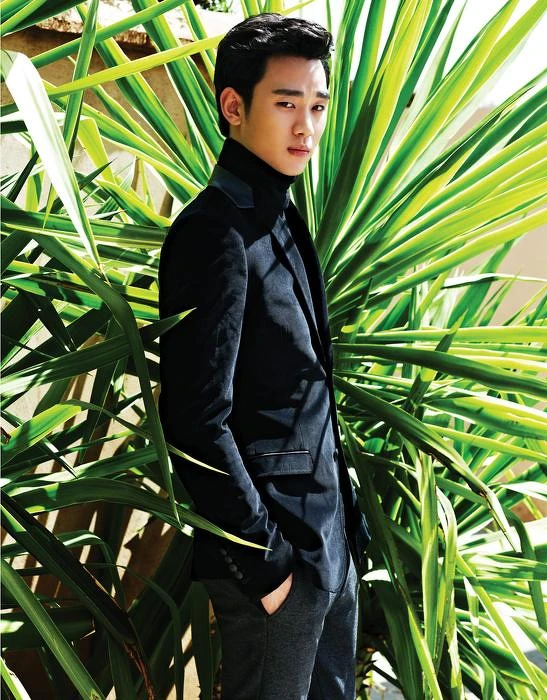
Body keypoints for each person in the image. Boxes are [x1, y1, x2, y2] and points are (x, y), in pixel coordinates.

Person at [158, 12, 370, 699]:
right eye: (286, 104)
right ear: (233, 106)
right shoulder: (213, 233)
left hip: (325, 550)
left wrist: (342, 534)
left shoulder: (281, 216)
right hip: (278, 570)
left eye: (318, 105)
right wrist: (269, 567)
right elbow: (195, 421)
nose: (307, 126)